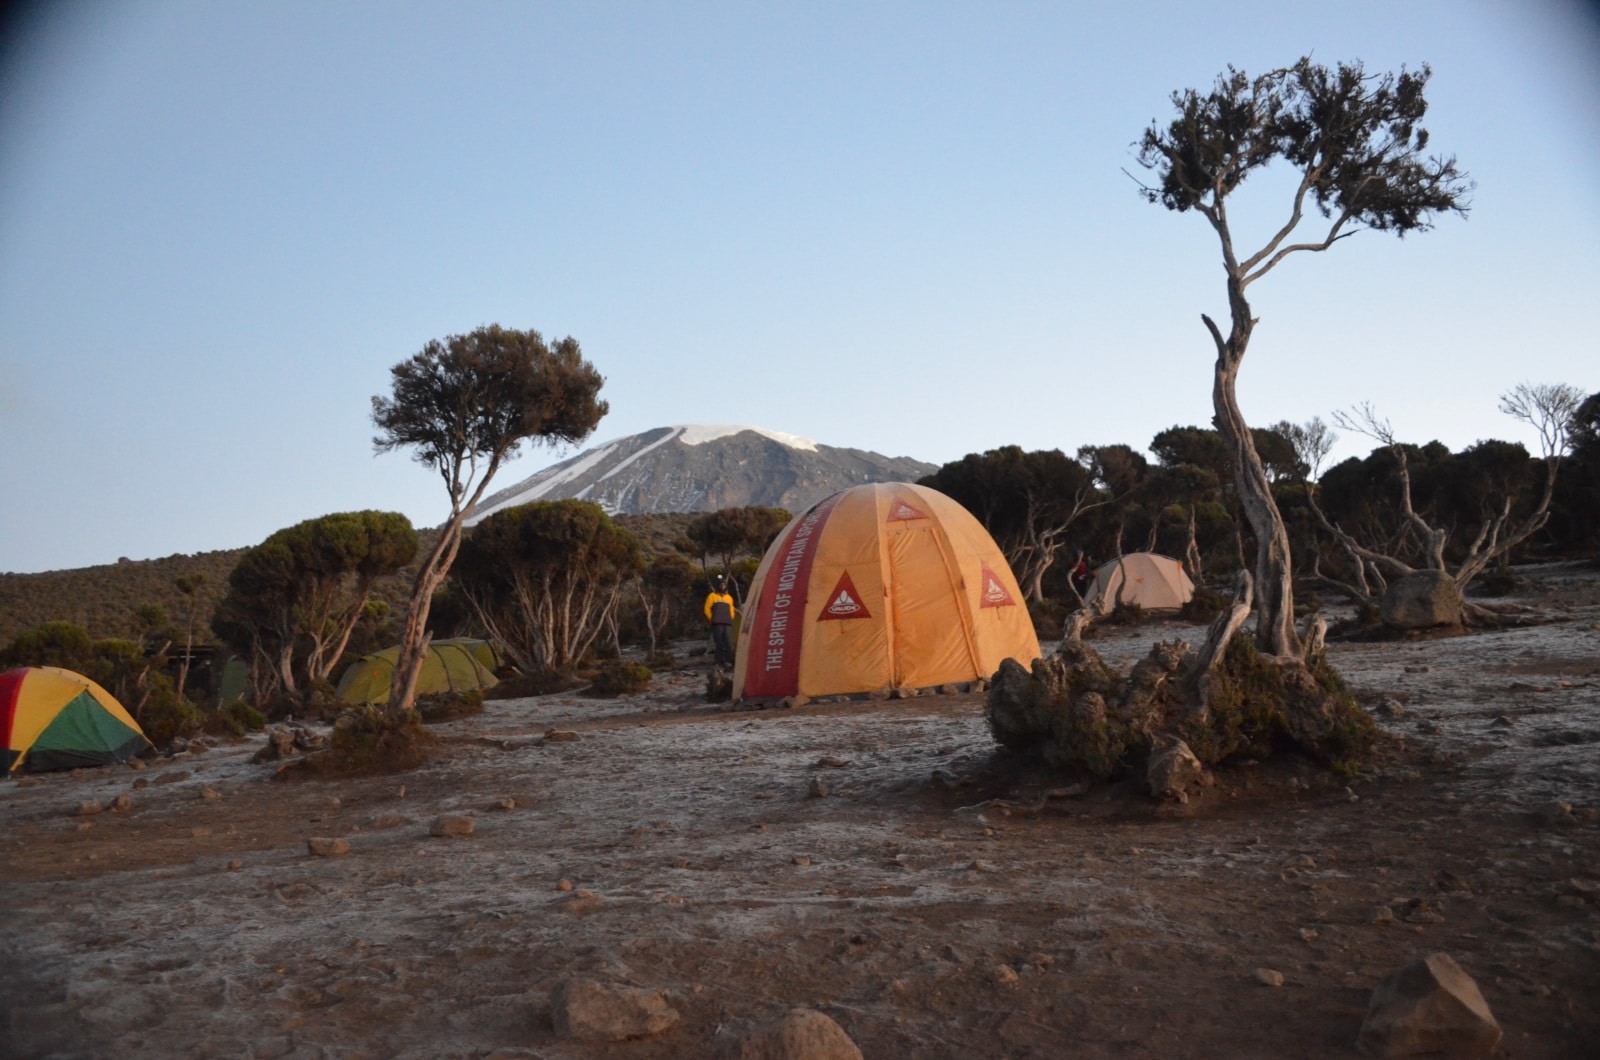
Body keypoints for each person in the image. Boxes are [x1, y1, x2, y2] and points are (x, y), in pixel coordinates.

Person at [703, 574, 737, 668]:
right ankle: (718, 662)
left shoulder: (729, 598)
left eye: (724, 585)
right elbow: (706, 609)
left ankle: (729, 661)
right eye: (721, 585)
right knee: (719, 643)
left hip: (727, 623)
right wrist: (712, 618)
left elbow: (732, 610)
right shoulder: (712, 596)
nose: (722, 586)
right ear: (718, 586)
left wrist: (731, 618)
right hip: (717, 623)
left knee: (728, 642)